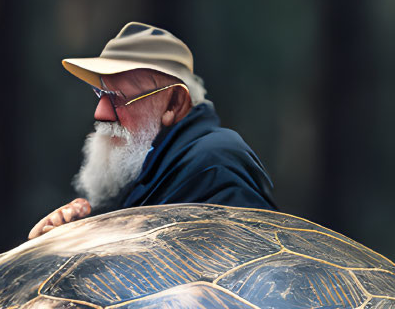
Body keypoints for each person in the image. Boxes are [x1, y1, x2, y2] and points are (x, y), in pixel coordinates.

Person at [28, 22, 275, 239]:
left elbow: (225, 278)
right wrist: (61, 243)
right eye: (101, 93)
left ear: (174, 103)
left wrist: (92, 242)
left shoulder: (214, 163)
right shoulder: (146, 169)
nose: (100, 113)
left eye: (117, 97)